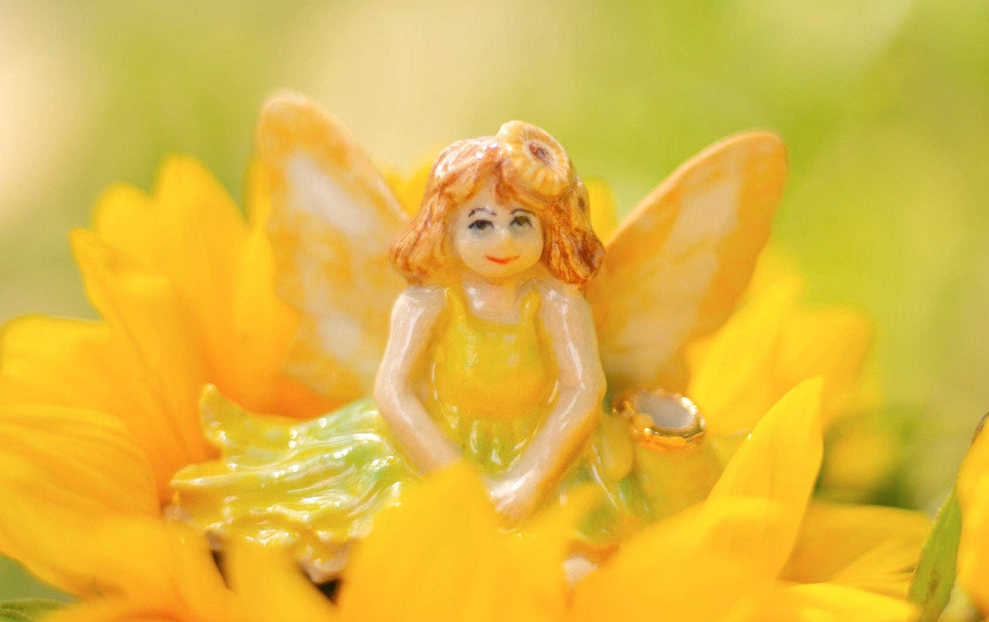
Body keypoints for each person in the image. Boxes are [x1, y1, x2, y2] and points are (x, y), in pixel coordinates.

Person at [170, 122, 660, 581]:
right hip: (425, 449)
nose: (503, 240)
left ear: (549, 226)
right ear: (445, 226)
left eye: (521, 221)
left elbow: (582, 390)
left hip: (541, 457)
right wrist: (453, 479)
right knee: (366, 540)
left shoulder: (556, 303)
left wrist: (528, 481)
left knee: (575, 564)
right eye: (481, 223)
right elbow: (395, 392)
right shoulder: (426, 302)